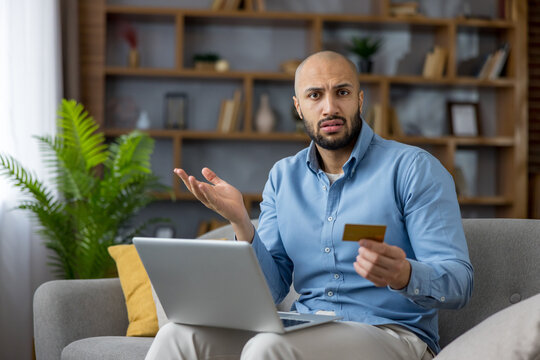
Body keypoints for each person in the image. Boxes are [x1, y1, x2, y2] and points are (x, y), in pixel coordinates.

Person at [145, 51, 473, 360]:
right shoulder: (283, 177)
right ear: (298, 107)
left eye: (342, 93)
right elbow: (272, 290)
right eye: (315, 95)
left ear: (360, 100)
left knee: (267, 348)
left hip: (391, 332)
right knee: (176, 336)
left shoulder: (413, 169)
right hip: (307, 329)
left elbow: (459, 283)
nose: (329, 107)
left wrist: (404, 274)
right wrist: (241, 223)